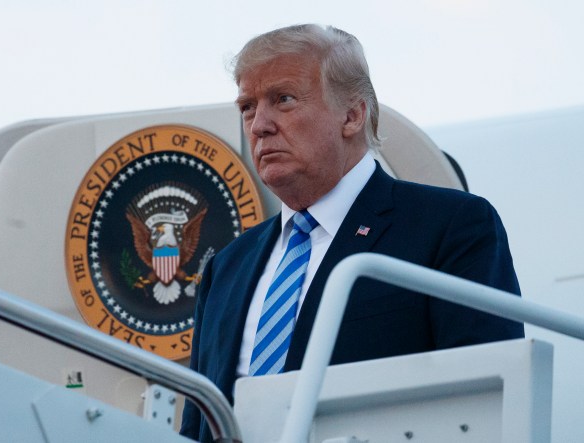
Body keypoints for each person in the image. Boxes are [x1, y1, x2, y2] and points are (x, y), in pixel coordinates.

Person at [180, 24, 524, 441]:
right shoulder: (226, 268)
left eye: (283, 99)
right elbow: (197, 425)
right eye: (248, 107)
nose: (259, 126)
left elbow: (489, 403)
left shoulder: (450, 226)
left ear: (352, 114)